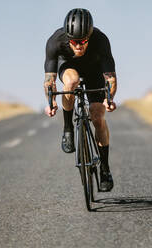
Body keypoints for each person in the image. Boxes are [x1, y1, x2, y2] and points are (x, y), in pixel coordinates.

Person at [43, 8, 117, 192]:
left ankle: (105, 169)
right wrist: (51, 102)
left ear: (89, 36)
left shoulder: (101, 40)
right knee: (72, 81)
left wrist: (109, 98)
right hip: (68, 66)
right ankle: (68, 128)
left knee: (98, 117)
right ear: (67, 37)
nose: (78, 46)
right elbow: (49, 80)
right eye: (74, 42)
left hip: (94, 70)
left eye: (83, 41)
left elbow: (111, 78)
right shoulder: (55, 41)